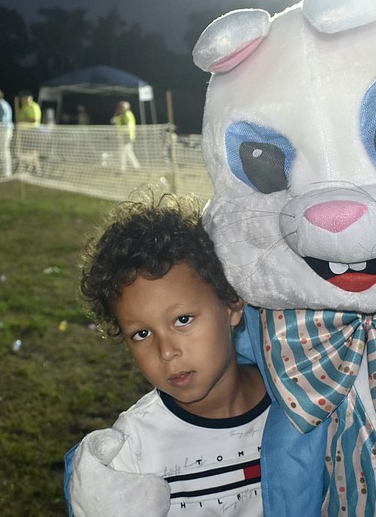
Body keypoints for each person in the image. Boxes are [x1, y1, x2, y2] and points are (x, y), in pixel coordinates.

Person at [68, 193, 269, 516]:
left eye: (183, 320)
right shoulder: (130, 452)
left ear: (232, 303)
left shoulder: (297, 404)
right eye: (142, 334)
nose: (166, 351)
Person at [112, 100, 140, 171]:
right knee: (128, 152)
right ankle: (136, 167)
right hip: (122, 136)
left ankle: (123, 168)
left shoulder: (127, 114)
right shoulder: (121, 115)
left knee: (123, 152)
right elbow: (114, 121)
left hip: (127, 136)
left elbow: (127, 125)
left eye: (122, 107)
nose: (120, 109)